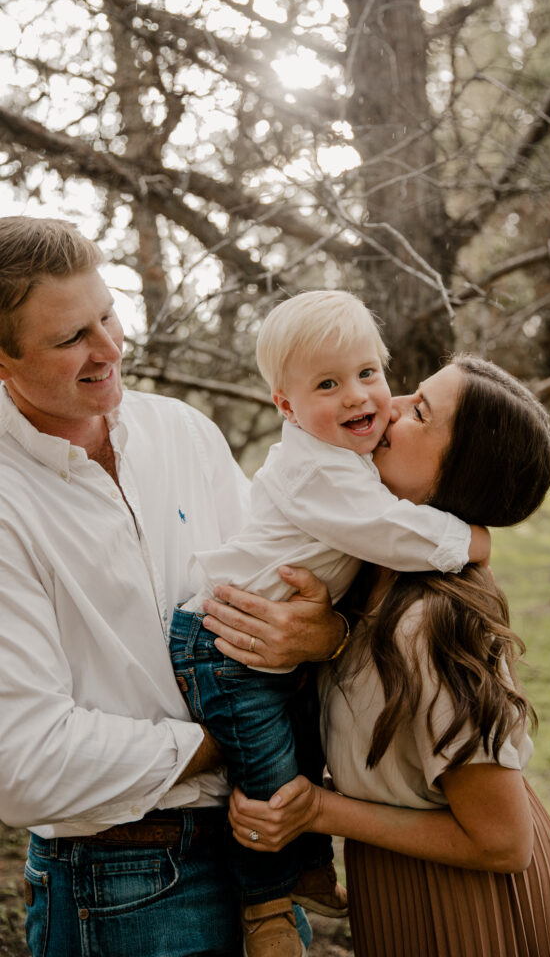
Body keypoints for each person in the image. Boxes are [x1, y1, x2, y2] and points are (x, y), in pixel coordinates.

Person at [0, 216, 345, 957]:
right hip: (120, 880)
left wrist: (325, 633)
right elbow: (22, 763)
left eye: (108, 315)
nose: (110, 350)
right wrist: (240, 735)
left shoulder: (183, 431)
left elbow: (277, 591)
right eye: (70, 340)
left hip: (265, 848)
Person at [227, 356, 550, 957]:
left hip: (476, 907)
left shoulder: (435, 620)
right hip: (399, 888)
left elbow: (504, 841)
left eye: (419, 412)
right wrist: (331, 638)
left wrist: (320, 810)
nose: (385, 406)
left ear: (457, 477)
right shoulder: (362, 569)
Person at [170, 291, 490, 956]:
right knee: (272, 778)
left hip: (271, 642)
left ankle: (309, 865)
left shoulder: (346, 458)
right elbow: (390, 530)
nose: (356, 396)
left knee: (307, 740)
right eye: (326, 384)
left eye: (368, 374)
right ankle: (266, 912)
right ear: (285, 407)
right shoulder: (316, 471)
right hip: (225, 647)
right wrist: (470, 541)